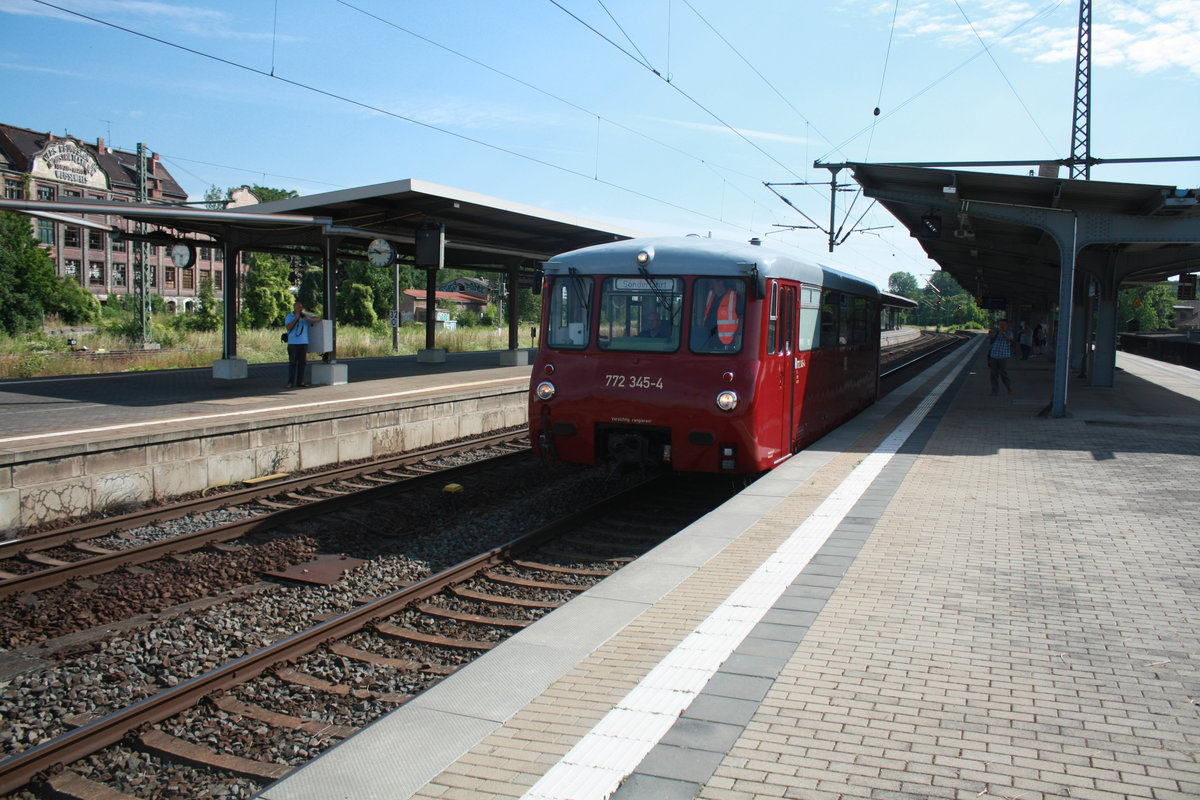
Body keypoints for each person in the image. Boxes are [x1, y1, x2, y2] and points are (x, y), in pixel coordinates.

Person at [284, 301, 320, 388]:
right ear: (294, 308)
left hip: (303, 342)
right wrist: (296, 318)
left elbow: (317, 319)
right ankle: (290, 382)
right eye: (298, 307)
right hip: (293, 343)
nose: (300, 309)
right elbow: (288, 327)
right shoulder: (289, 316)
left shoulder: (305, 316)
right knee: (292, 363)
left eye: (301, 307)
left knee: (302, 363)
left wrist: (307, 318)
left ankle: (300, 381)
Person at [987, 318, 1014, 395]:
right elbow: (989, 338)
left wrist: (1002, 332)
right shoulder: (996, 332)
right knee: (993, 374)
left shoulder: (1009, 332)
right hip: (994, 355)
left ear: (1007, 325)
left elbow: (1010, 339)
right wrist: (992, 332)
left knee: (1003, 373)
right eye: (1000, 324)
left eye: (1003, 324)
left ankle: (1008, 386)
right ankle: (994, 391)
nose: (1001, 326)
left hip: (1003, 356)